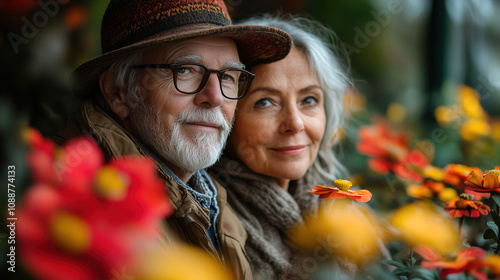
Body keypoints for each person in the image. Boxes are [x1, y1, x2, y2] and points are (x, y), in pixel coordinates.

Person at [51, 1, 292, 279]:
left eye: (227, 76)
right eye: (186, 70)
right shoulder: (77, 200)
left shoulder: (215, 200)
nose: (215, 98)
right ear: (118, 92)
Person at [208, 15, 354, 279]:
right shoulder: (204, 227)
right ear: (227, 115)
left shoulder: (347, 214)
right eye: (265, 102)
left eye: (309, 99)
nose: (295, 124)